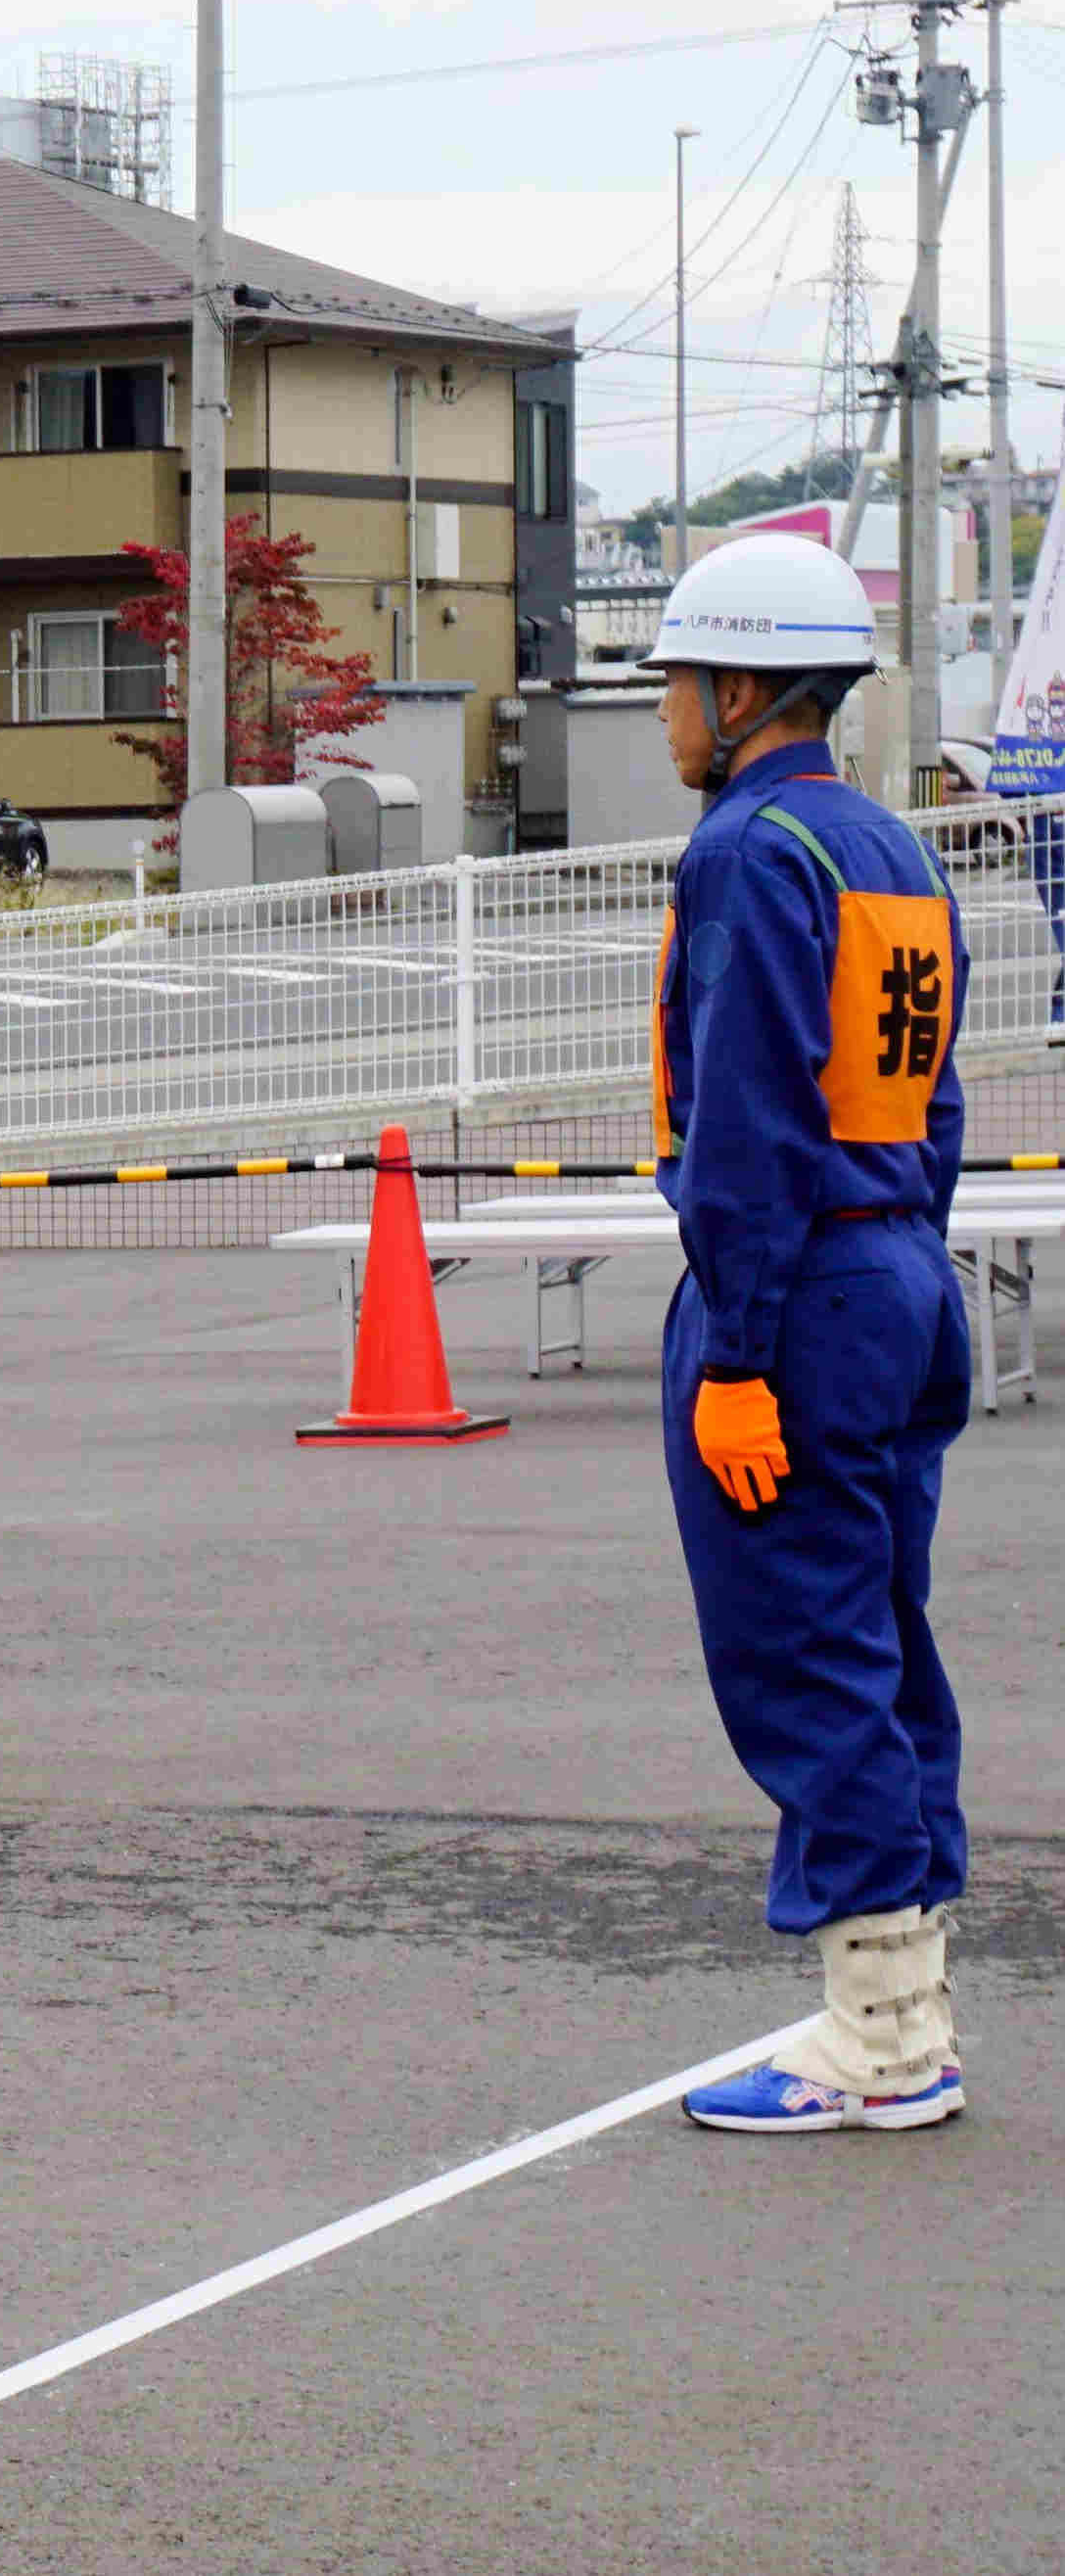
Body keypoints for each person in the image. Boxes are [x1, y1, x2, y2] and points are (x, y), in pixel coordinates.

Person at [637, 533, 977, 2135]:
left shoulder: (744, 852)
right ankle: (902, 1996)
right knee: (880, 1634)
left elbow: (747, 1130)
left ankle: (876, 2042)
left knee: (802, 1652)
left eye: (677, 682)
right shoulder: (887, 845)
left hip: (804, 1287)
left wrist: (739, 1356)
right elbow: (936, 1096)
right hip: (902, 1261)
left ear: (739, 684)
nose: (664, 714)